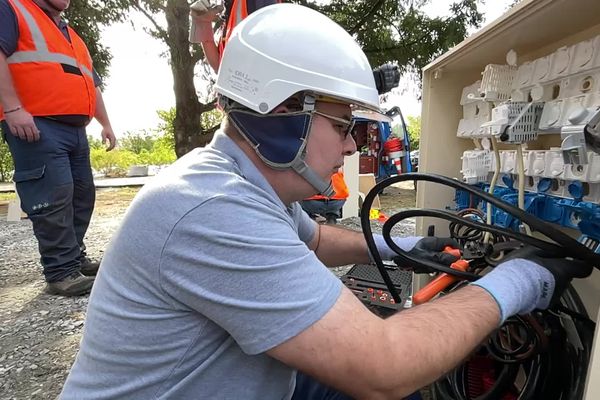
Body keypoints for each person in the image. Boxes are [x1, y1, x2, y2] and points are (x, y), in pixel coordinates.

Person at [60, 4, 592, 399]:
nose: (351, 144)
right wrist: (518, 283)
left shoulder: (240, 181)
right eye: (342, 125)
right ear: (281, 115)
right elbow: (384, 365)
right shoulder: (211, 208)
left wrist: (407, 242)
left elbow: (314, 241)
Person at [0, 0, 117, 296]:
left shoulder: (71, 34)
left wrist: (106, 123)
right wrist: (12, 109)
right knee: (53, 195)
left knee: (81, 194)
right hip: (36, 123)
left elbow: (91, 81)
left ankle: (74, 257)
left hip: (74, 128)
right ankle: (60, 270)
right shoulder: (12, 9)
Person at [189, 0, 281, 73]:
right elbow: (220, 67)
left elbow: (269, 44)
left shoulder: (254, 3)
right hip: (233, 89)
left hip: (253, 88)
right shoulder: (229, 12)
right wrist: (202, 23)